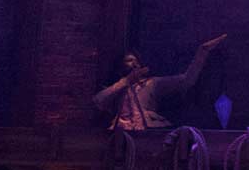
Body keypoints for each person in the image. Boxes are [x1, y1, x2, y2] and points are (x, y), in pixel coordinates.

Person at [93, 34, 227, 130]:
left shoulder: (152, 83)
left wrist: (202, 52)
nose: (133, 63)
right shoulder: (118, 87)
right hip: (120, 132)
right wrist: (125, 82)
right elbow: (99, 100)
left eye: (135, 60)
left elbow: (186, 80)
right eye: (129, 60)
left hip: (148, 131)